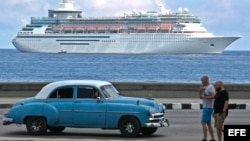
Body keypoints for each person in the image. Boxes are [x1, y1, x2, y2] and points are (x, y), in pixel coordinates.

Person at [199, 75, 216, 141]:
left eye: (203, 80)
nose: (202, 82)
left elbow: (213, 96)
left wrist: (205, 97)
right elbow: (201, 97)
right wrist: (200, 91)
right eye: (201, 81)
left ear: (206, 80)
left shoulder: (210, 87)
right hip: (205, 106)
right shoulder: (204, 87)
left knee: (203, 122)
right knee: (208, 123)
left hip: (208, 107)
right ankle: (213, 138)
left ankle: (205, 138)